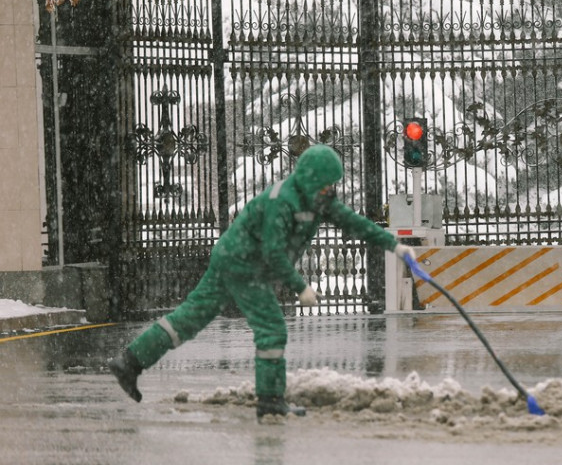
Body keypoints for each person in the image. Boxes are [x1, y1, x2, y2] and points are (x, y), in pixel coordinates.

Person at [108, 145, 416, 420]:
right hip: (244, 264)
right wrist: (301, 287)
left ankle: (130, 361)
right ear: (313, 180)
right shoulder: (281, 201)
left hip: (231, 258)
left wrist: (395, 246)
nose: (331, 190)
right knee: (271, 328)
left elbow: (354, 223)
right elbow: (272, 252)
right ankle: (270, 402)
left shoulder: (316, 200)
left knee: (188, 320)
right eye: (328, 184)